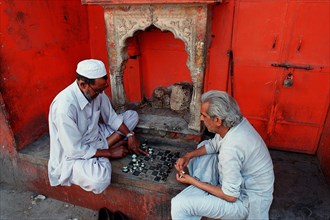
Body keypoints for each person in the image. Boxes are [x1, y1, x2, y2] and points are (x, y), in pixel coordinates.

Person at [171, 90, 274, 219]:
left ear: (217, 120)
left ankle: (201, 186)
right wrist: (188, 156)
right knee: (201, 150)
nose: (201, 118)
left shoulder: (231, 148)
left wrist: (193, 181)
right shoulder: (236, 125)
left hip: (246, 202)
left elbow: (231, 196)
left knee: (179, 205)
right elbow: (213, 145)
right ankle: (204, 187)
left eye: (204, 115)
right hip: (237, 182)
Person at [48, 59, 146, 194]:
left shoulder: (98, 92)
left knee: (131, 116)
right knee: (99, 180)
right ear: (83, 84)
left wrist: (130, 135)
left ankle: (105, 147)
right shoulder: (64, 107)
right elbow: (74, 150)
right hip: (75, 154)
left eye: (103, 89)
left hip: (97, 135)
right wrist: (110, 153)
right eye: (98, 90)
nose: (101, 94)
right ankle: (106, 149)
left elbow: (111, 118)